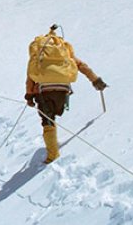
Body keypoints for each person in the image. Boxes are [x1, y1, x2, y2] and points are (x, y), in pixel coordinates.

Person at [25, 24, 108, 164]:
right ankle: (53, 149)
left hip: (43, 90)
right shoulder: (64, 49)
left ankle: (52, 155)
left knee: (48, 120)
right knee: (54, 114)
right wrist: (96, 80)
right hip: (63, 89)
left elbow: (30, 76)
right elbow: (81, 65)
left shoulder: (39, 52)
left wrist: (29, 96)